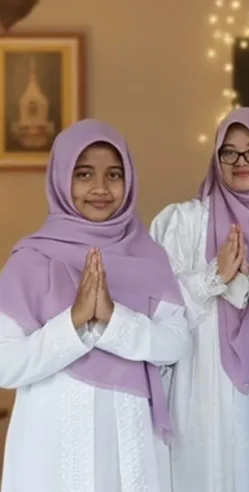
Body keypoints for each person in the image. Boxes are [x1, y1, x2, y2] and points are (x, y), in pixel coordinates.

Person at [0, 120, 190, 492]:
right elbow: (4, 364)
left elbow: (175, 344)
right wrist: (73, 322)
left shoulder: (149, 258)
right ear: (61, 179)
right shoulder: (29, 260)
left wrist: (112, 318)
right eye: (84, 174)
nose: (100, 188)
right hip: (51, 444)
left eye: (114, 175)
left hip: (130, 438)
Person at [149, 108, 249, 492]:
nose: (240, 161)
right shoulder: (184, 222)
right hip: (200, 379)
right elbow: (155, 310)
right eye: (228, 152)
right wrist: (213, 277)